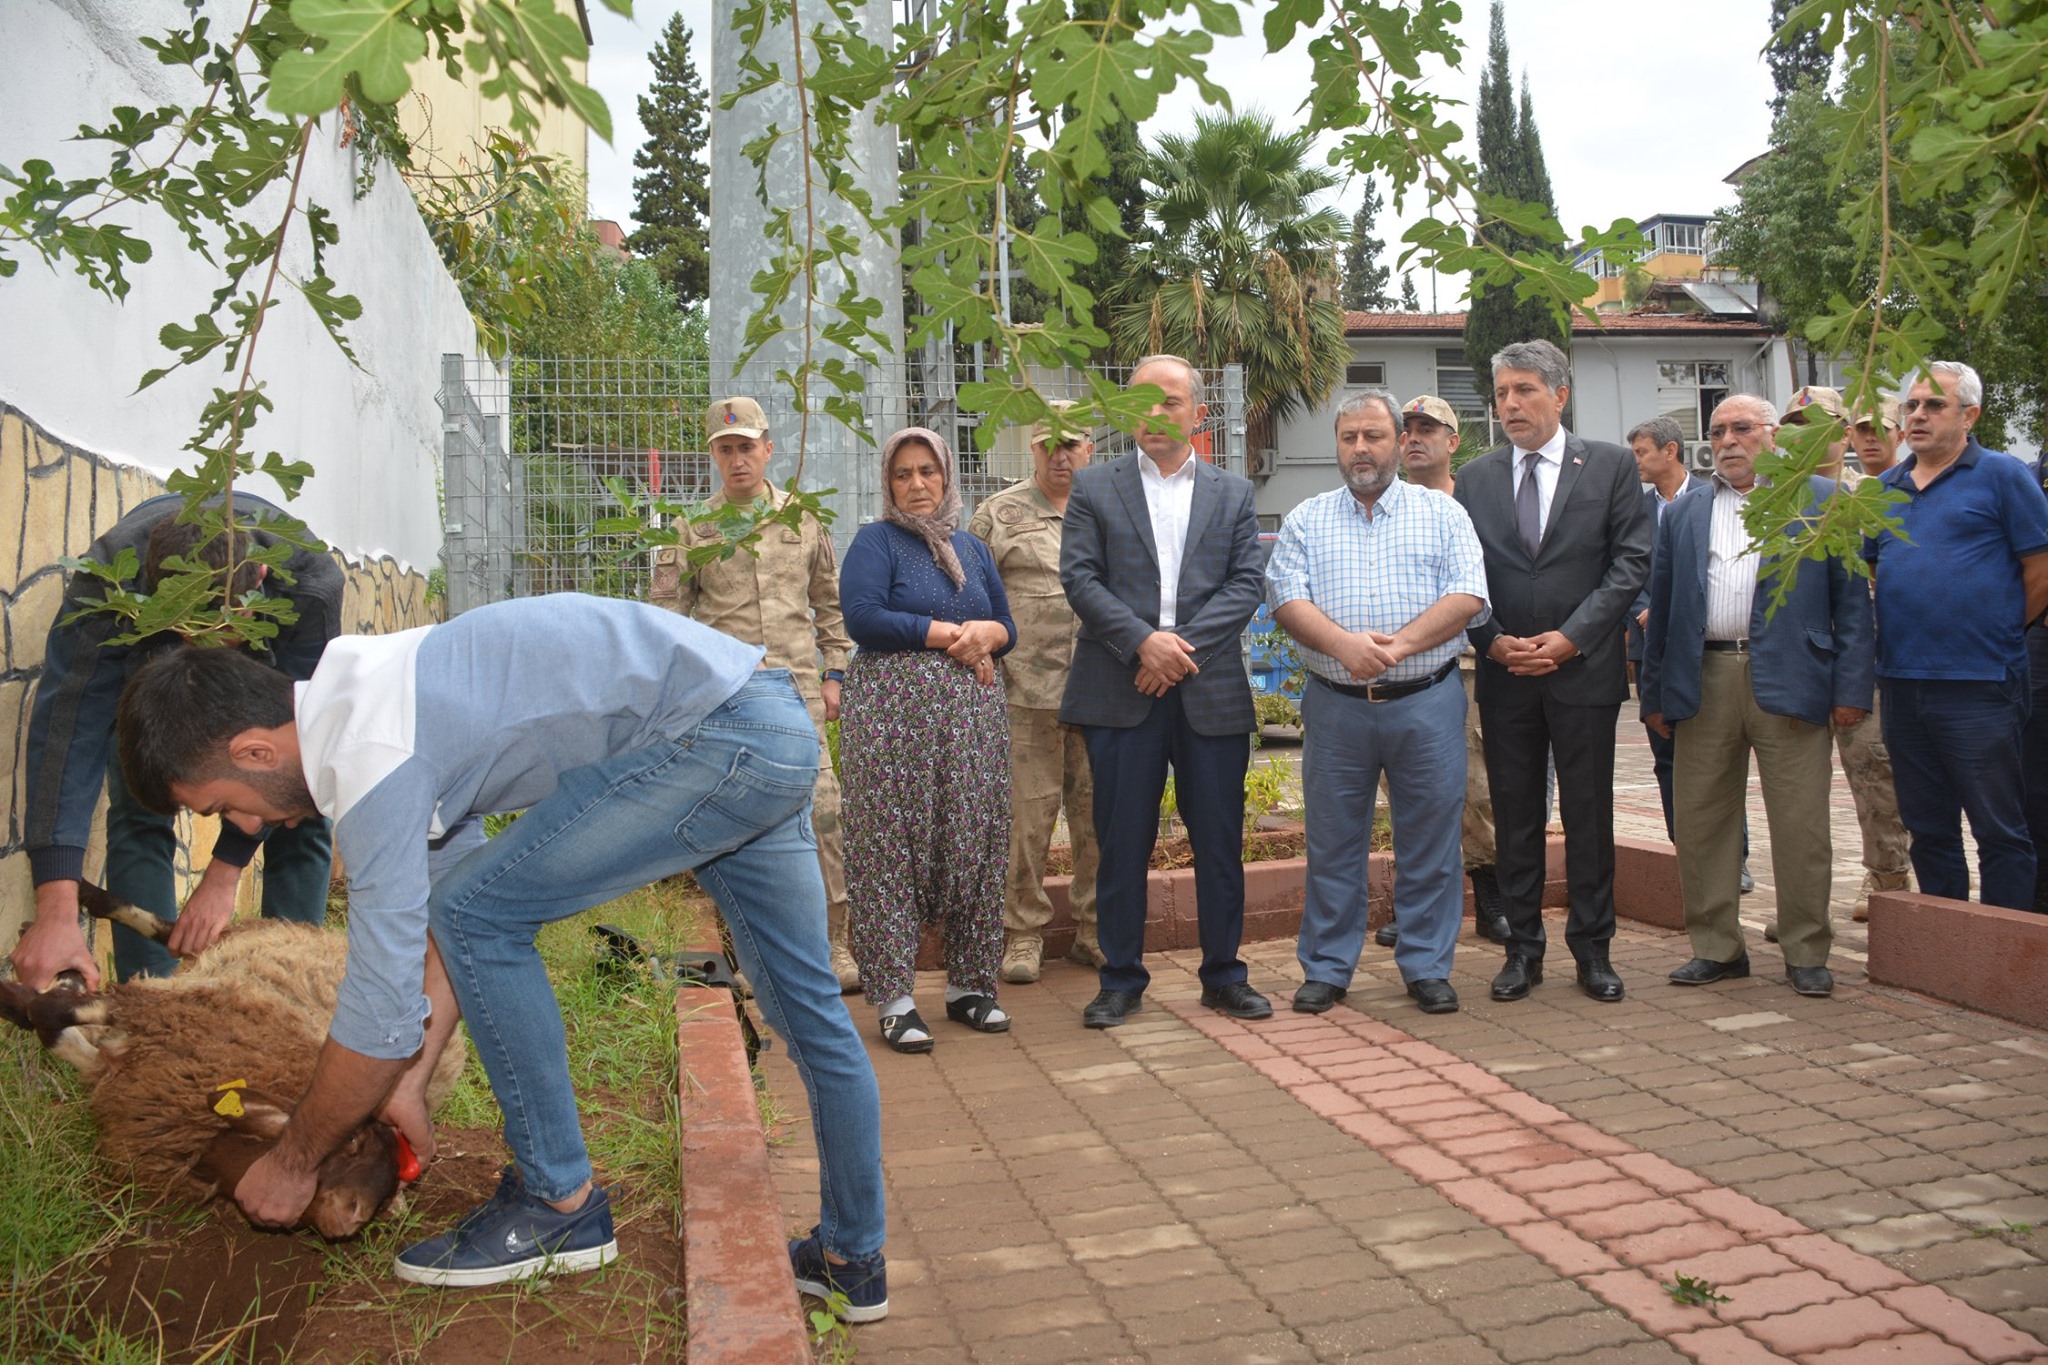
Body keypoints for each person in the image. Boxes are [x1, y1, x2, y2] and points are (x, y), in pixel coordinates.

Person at [111, 596, 891, 1318]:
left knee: (479, 914)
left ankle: (559, 1204)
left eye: (223, 807)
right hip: (769, 721)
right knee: (812, 1015)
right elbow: (455, 918)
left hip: (714, 742)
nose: (248, 826)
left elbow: (382, 1008)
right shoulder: (369, 686)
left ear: (252, 747)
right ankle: (852, 1259)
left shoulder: (372, 760)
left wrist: (292, 1160)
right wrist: (409, 1083)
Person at [11, 494, 340, 990]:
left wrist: (225, 871)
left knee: (300, 805)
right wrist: (55, 908)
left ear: (260, 583)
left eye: (222, 631)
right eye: (192, 632)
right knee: (140, 805)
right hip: (153, 668)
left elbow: (304, 740)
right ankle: (152, 1003)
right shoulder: (108, 585)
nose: (207, 645)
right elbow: (67, 729)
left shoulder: (308, 585)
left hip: (271, 688)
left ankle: (284, 991)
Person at [1060, 354, 1272, 1028]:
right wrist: (1141, 643)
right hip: (1120, 686)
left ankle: (1223, 975)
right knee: (1121, 840)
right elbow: (1081, 578)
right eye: (1141, 400)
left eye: (1170, 400)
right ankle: (1120, 977)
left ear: (1198, 413)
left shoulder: (1233, 493)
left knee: (1220, 839)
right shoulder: (1094, 487)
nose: (1154, 413)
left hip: (1207, 691)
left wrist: (1175, 652)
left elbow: (1246, 584)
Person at [1640, 396, 1874, 998]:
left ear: (1773, 436)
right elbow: (1661, 609)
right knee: (1701, 821)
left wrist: (1850, 690)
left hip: (1792, 676)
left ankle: (1806, 951)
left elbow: (1852, 607)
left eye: (1741, 428)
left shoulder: (1822, 502)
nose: (1727, 441)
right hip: (1704, 678)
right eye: (1717, 431)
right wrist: (1656, 695)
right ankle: (1717, 948)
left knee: (1801, 823)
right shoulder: (1686, 511)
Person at [1268, 391, 1488, 1015]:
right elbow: (1287, 597)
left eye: (1373, 436)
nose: (1360, 449)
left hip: (1426, 701)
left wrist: (1397, 649)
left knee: (1431, 840)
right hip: (1337, 705)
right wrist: (1343, 646)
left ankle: (1425, 964)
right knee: (1333, 842)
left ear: (1397, 442)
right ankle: (1329, 967)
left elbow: (1470, 592)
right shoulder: (1307, 517)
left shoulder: (1442, 515)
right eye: (1348, 438)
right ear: (1336, 445)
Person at [1452, 339, 1653, 1004]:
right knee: (1515, 817)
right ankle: (1522, 949)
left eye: (1524, 391)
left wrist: (1572, 638)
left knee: (1589, 815)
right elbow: (1461, 573)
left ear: (1559, 395)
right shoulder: (1476, 477)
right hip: (1507, 675)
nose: (1510, 403)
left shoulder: (1612, 467)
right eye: (1502, 391)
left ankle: (1593, 950)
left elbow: (1630, 563)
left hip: (1583, 673)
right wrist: (1491, 638)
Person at [650, 396, 861, 990]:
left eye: (748, 446)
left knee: (824, 815)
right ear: (713, 456)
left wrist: (836, 672)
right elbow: (667, 620)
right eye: (726, 448)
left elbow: (831, 604)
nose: (738, 458)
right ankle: (752, 956)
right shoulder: (691, 529)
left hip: (799, 699)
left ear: (768, 449)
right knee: (738, 829)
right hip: (731, 703)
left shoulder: (802, 518)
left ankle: (834, 948)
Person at [839, 426, 1017, 1052]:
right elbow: (863, 617)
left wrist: (989, 636)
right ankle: (894, 997)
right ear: (888, 483)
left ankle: (971, 985)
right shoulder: (875, 541)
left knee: (975, 838)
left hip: (971, 721)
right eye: (903, 474)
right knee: (890, 845)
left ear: (947, 476)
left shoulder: (972, 546)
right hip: (891, 722)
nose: (917, 484)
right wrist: (952, 635)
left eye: (928, 472)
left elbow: (1006, 622)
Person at [1864, 361, 2048, 910]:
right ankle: (1945, 942)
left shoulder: (2003, 476)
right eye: (1911, 406)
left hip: (1980, 684)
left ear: (1970, 415)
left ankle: (2002, 949)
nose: (1917, 416)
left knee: (1998, 828)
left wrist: (1995, 631)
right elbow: (1878, 571)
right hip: (1901, 682)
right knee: (1928, 826)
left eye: (1933, 405)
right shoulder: (1885, 489)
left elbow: (2039, 572)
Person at [968, 401, 1103, 984]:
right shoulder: (998, 515)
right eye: (1049, 444)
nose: (1061, 455)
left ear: (1090, 449)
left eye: (1071, 444)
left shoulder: (1113, 510)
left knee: (1100, 821)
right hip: (1025, 694)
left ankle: (1095, 932)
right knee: (1026, 824)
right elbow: (968, 597)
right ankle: (1021, 936)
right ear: (1032, 447)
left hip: (1102, 694)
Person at [1368, 394, 1510, 948]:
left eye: (1428, 429)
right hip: (1390, 675)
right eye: (1406, 430)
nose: (1414, 438)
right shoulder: (1375, 504)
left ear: (1454, 442)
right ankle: (1416, 904)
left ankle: (1491, 896)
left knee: (1476, 789)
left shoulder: (1475, 507)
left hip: (1466, 666)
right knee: (1407, 795)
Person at [1778, 386, 1910, 921]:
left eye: (1821, 423)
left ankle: (1888, 881)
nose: (1808, 433)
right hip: (1799, 663)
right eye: (1796, 423)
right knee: (1796, 793)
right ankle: (1803, 904)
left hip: (1857, 658)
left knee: (1873, 774)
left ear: (1842, 432)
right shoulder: (1777, 498)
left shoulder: (1867, 495)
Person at [1624, 416, 1708, 843]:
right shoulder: (1634, 509)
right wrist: (1643, 608)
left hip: (1701, 646)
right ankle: (1685, 849)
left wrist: (1667, 607)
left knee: (1715, 758)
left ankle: (1736, 857)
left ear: (1670, 450)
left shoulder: (1713, 499)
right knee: (1666, 753)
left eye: (1642, 452)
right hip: (1649, 648)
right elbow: (1623, 567)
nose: (1635, 461)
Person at [1849, 398, 1902, 477]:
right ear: (1851, 437)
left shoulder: (1916, 485)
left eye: (1881, 429)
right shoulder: (1844, 488)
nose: (1870, 438)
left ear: (1899, 438)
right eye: (1862, 429)